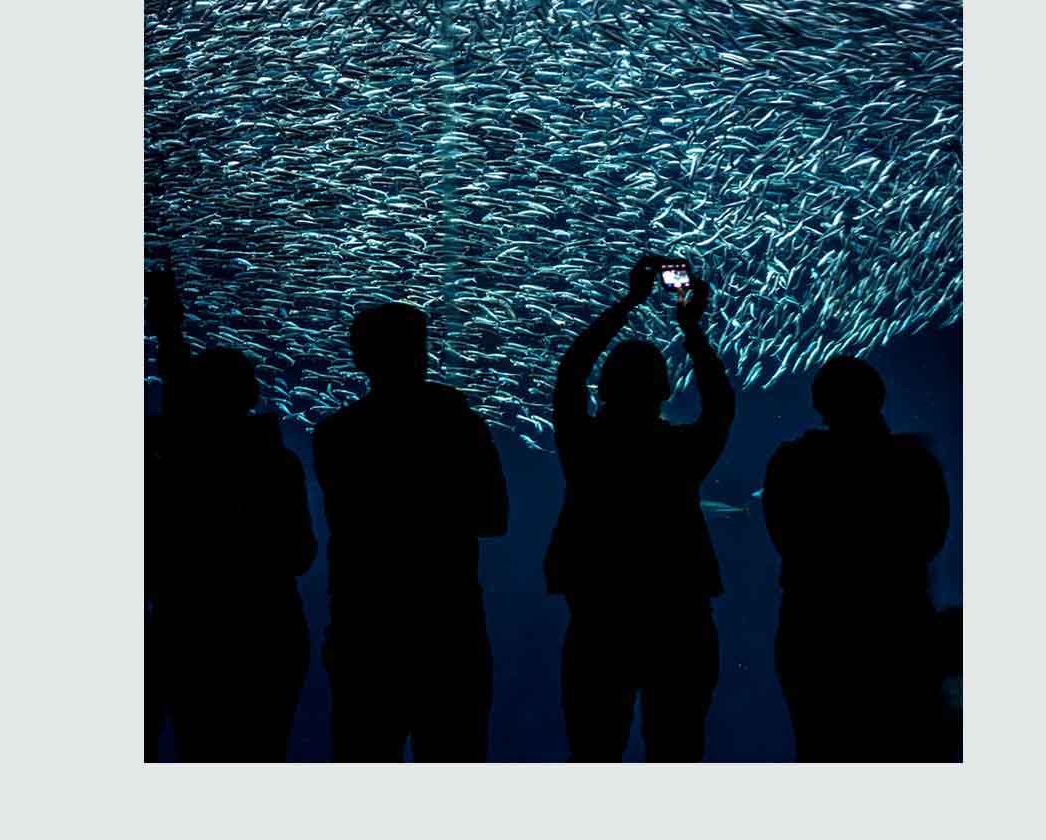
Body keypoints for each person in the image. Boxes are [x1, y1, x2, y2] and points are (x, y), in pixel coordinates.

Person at [545, 256, 732, 760]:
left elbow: (569, 374)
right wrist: (691, 329)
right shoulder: (681, 454)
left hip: (597, 619)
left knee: (592, 750)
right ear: (665, 391)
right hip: (679, 620)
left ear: (602, 390)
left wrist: (627, 302)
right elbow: (719, 408)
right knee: (678, 750)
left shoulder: (584, 447)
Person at [313, 302, 508, 760]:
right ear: (422, 354)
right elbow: (493, 519)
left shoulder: (336, 434)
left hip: (364, 633)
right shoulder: (461, 425)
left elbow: (353, 523)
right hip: (447, 634)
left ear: (358, 357)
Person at [763, 355, 952, 760]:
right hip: (900, 628)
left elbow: (784, 535)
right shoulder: (915, 462)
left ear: (818, 403)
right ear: (879, 398)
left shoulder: (792, 463)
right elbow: (932, 536)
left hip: (815, 633)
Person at [163, 348, 317, 760]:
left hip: (191, 635)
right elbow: (301, 553)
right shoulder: (278, 463)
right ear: (250, 394)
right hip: (268, 632)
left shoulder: (167, 462)